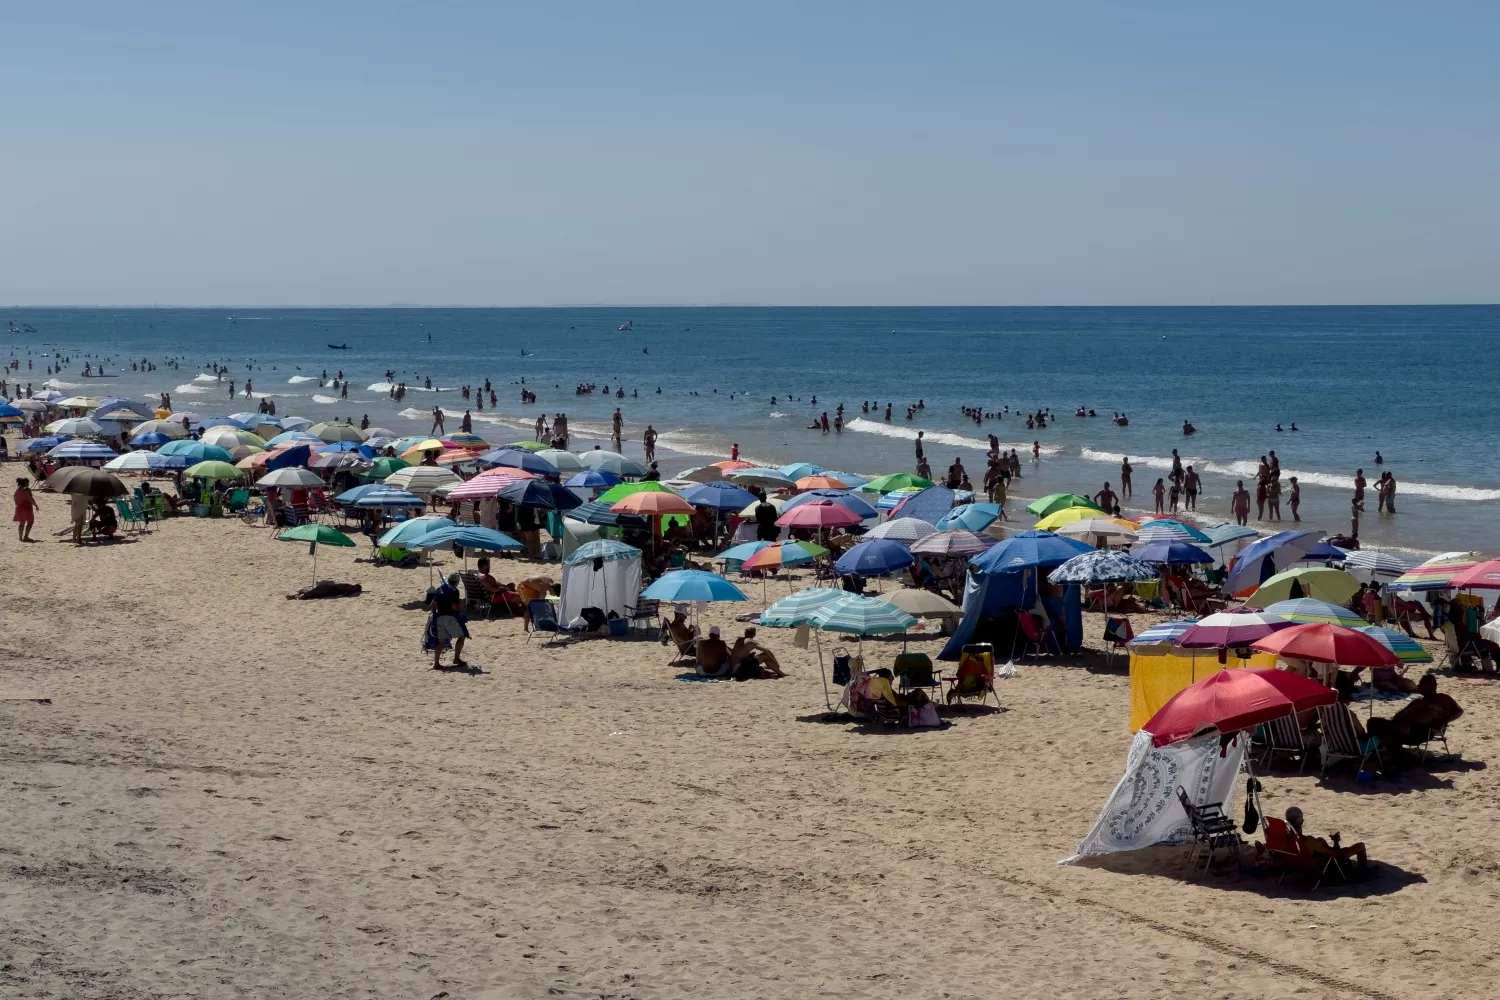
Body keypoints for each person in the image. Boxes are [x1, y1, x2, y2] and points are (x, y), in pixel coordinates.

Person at [1369, 674, 1463, 747]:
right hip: (1415, 730)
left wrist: (1444, 721)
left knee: (1375, 724)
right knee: (1377, 724)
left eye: (1422, 684)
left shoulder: (1438, 699)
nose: (1419, 686)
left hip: (1417, 733)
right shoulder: (1425, 701)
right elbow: (1399, 717)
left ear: (1431, 686)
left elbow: (1459, 711)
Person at [1283, 807, 1368, 872]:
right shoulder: (1309, 841)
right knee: (1360, 846)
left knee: (1320, 840)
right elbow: (1335, 854)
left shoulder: (1286, 839)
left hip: (1300, 864)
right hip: (1325, 864)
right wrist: (1336, 841)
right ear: (1302, 822)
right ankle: (1364, 871)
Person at [426, 573, 470, 669]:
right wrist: (461, 613)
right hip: (449, 619)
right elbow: (455, 607)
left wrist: (435, 616)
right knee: (462, 636)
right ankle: (456, 659)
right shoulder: (455, 591)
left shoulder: (440, 588)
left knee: (441, 642)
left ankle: (436, 663)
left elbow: (432, 606)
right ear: (457, 582)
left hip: (439, 618)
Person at [13, 476, 35, 542]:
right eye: (28, 482)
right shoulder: (27, 489)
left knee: (21, 524)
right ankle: (26, 537)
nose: (28, 484)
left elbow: (14, 499)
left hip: (19, 508)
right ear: (25, 483)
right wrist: (36, 506)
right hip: (27, 507)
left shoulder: (17, 490)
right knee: (30, 522)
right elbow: (31, 499)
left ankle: (20, 537)